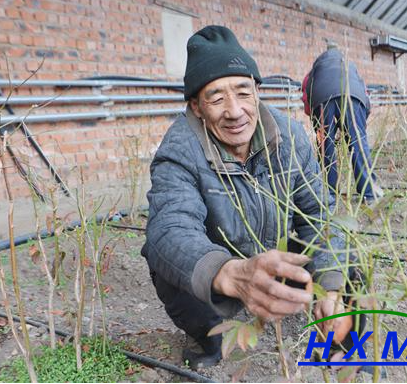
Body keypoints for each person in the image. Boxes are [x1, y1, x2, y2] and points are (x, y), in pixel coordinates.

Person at [141, 26, 354, 370]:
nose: (235, 111)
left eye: (243, 92)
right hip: (225, 268)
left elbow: (319, 212)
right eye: (216, 97)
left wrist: (329, 285)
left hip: (278, 256)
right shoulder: (180, 150)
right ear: (196, 106)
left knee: (345, 253)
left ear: (257, 91)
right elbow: (170, 226)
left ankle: (338, 336)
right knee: (164, 258)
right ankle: (212, 337)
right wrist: (228, 272)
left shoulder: (289, 136)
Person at [302, 42, 381, 201]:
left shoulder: (315, 69)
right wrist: (358, 125)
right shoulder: (350, 67)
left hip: (322, 101)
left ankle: (329, 193)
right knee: (358, 143)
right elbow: (364, 94)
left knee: (325, 147)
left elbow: (306, 92)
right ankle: (369, 193)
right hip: (353, 98)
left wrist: (316, 119)